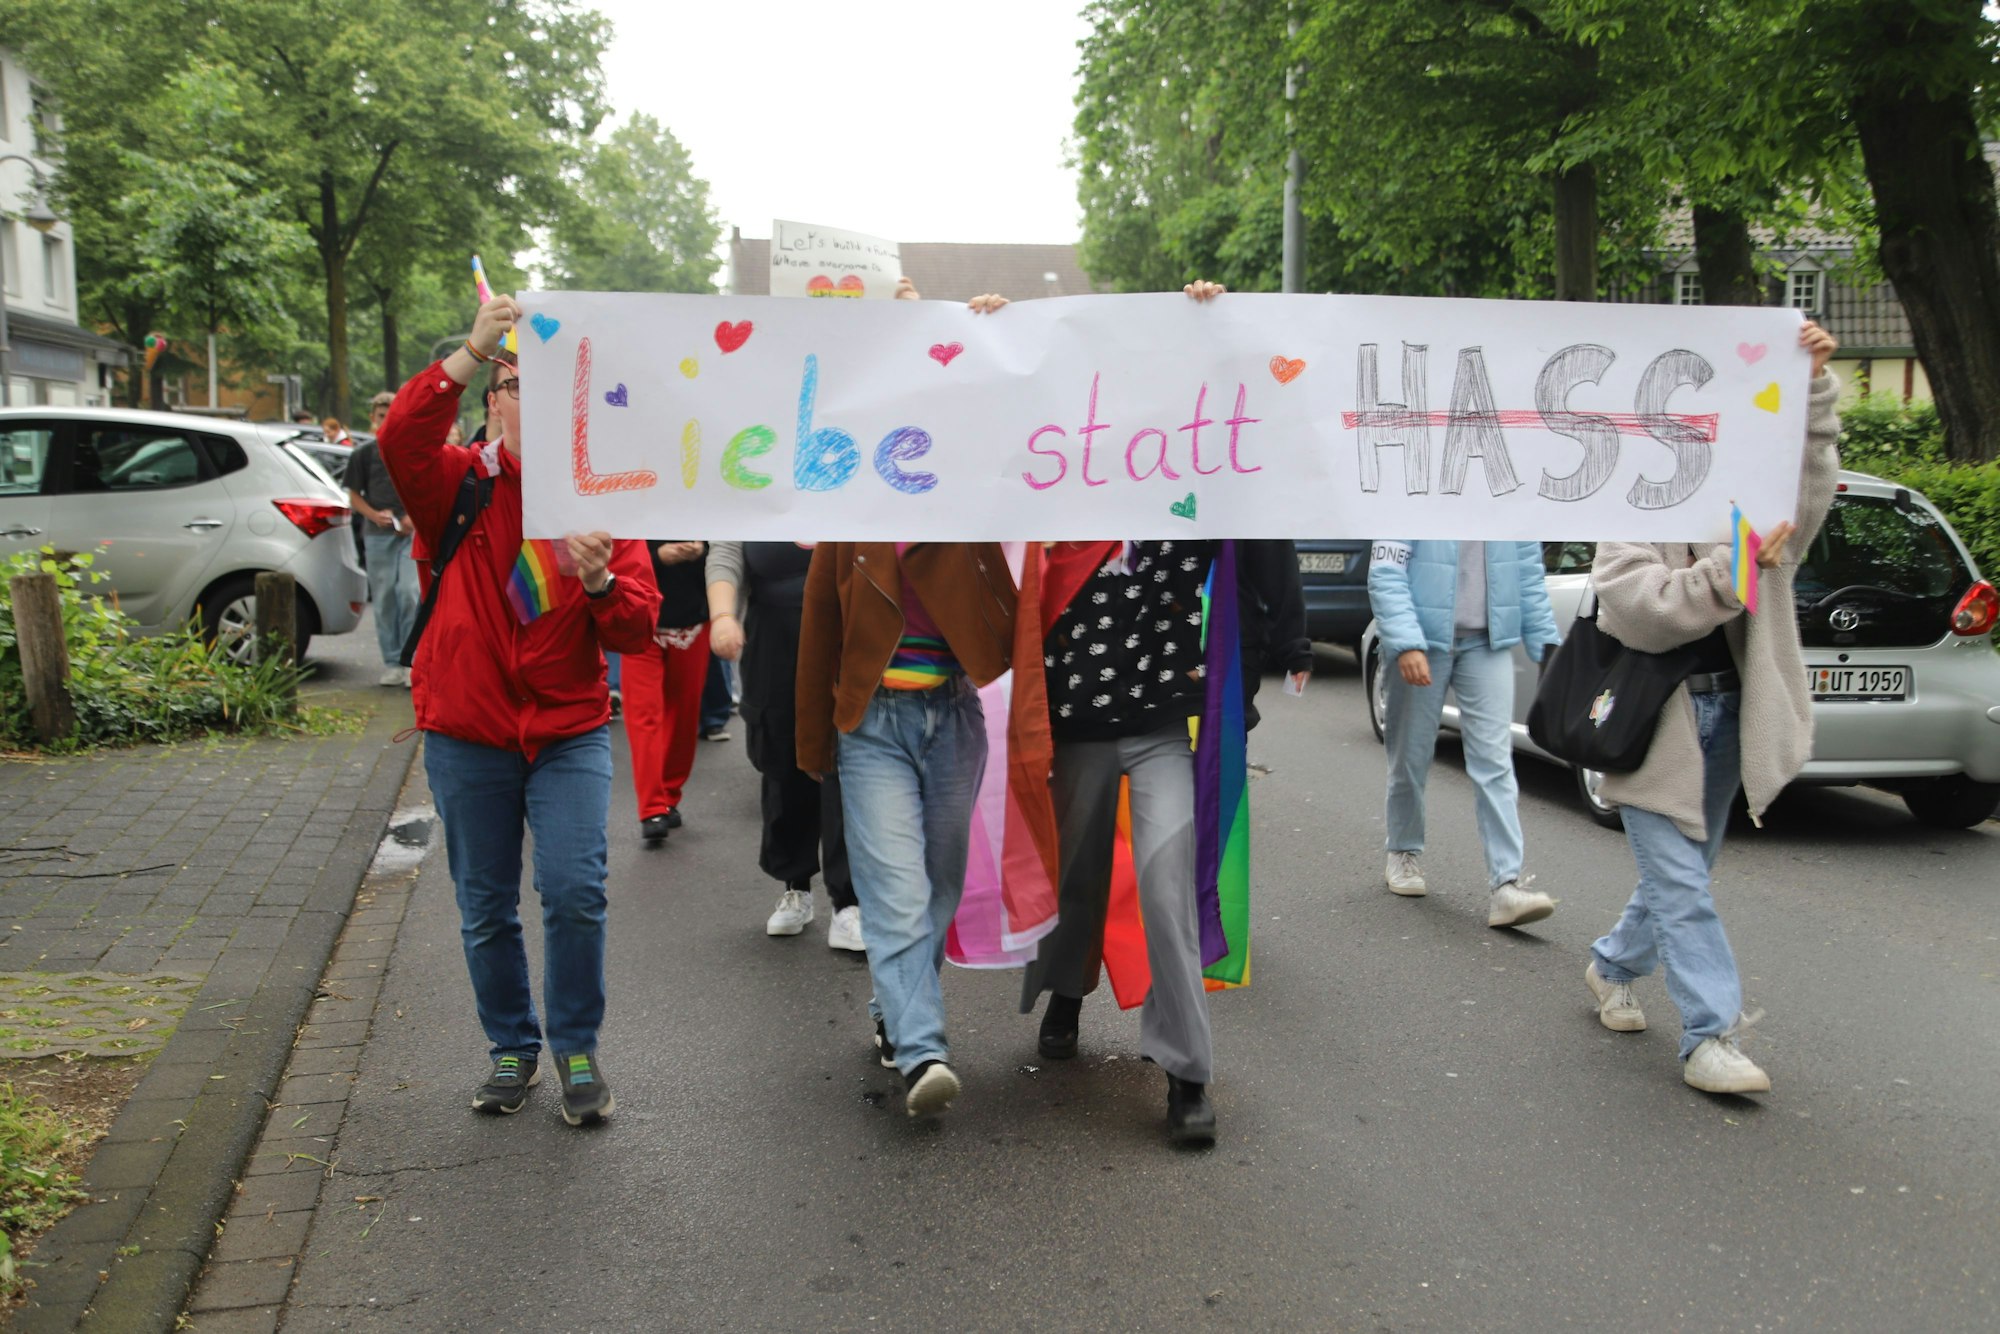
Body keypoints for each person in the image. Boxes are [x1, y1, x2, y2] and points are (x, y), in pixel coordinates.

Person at [378, 294, 660, 1126]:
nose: (530, 400)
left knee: (575, 891)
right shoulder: (455, 485)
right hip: (469, 732)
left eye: (549, 388)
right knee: (484, 904)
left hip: (567, 730)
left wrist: (602, 581)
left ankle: (575, 1045)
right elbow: (401, 438)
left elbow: (639, 627)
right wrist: (469, 348)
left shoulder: (603, 499)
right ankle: (512, 1046)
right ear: (494, 399)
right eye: (515, 384)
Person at [1584, 321, 1841, 1096]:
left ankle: (1611, 965)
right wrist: (1734, 571)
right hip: (1654, 727)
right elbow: (1638, 609)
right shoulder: (1629, 505)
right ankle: (1710, 1036)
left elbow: (1812, 489)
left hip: (1734, 711)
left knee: (1687, 870)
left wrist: (1816, 387)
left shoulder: (1752, 501)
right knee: (1684, 885)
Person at [797, 292, 1014, 1118]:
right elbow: (820, 625)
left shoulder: (964, 471)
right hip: (874, 727)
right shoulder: (843, 491)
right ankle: (924, 1052)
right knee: (892, 892)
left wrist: (981, 332)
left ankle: (895, 1012)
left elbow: (1011, 413)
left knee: (936, 892)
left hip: (952, 719)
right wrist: (818, 742)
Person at [1368, 535, 1562, 927]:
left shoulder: (1506, 496)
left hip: (1486, 644)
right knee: (1410, 756)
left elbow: (1528, 573)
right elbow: (1386, 570)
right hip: (1422, 640)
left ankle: (1506, 883)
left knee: (1494, 760)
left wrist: (1551, 654)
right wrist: (1405, 643)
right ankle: (1403, 851)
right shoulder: (1414, 483)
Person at [708, 542, 864, 951]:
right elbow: (726, 551)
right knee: (781, 762)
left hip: (848, 633)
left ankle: (849, 902)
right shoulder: (753, 482)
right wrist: (723, 616)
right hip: (773, 640)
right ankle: (795, 886)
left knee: (846, 763)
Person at [622, 540, 711, 843]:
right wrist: (656, 557)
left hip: (693, 617)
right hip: (640, 621)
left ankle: (669, 795)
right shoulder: (629, 491)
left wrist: (703, 550)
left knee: (684, 714)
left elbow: (729, 547)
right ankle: (651, 808)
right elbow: (615, 550)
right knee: (643, 713)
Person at [344, 390, 420, 686]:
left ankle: (411, 660)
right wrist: (372, 514)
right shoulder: (363, 454)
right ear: (373, 419)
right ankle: (392, 661)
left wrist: (414, 517)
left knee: (409, 592)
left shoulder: (412, 450)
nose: (387, 421)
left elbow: (426, 488)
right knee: (385, 597)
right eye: (381, 416)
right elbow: (353, 495)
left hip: (410, 532)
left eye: (392, 415)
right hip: (377, 534)